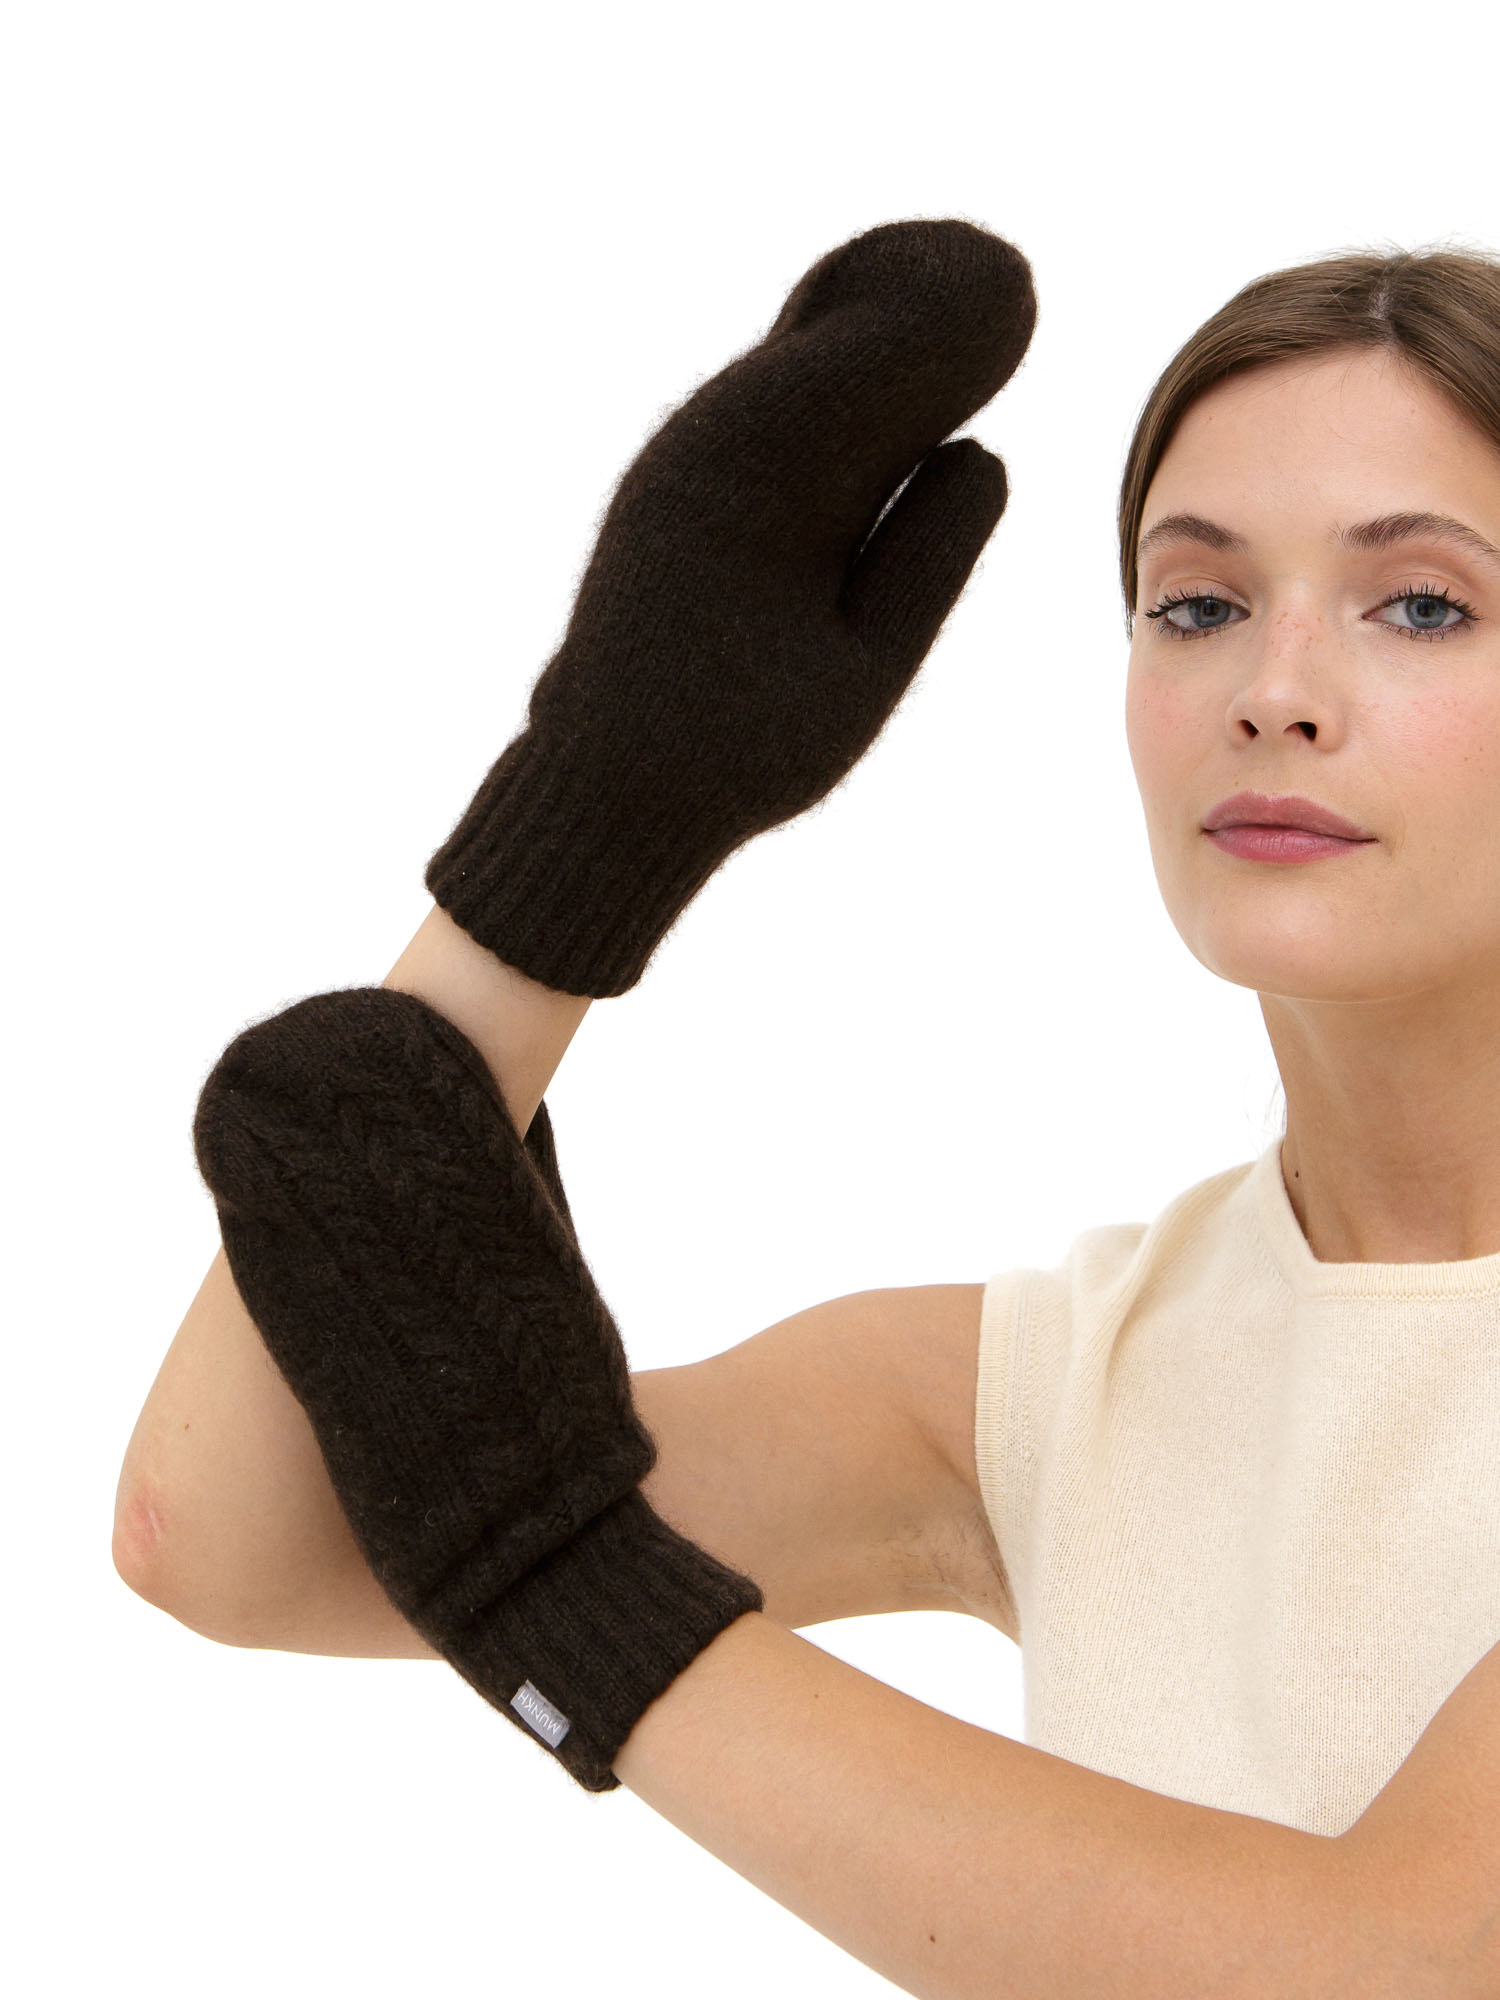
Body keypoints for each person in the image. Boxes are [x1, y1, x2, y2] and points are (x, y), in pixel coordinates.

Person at [111, 221, 1500, 1993]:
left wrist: (575, 1584)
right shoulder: (1066, 1374)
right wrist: (587, 831)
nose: (1273, 694)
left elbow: (1396, 1964)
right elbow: (239, 1541)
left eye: (1423, 604)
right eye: (1198, 604)